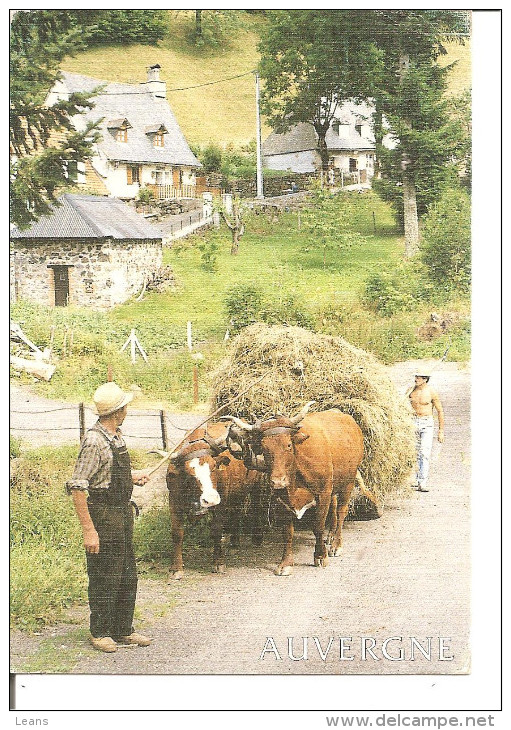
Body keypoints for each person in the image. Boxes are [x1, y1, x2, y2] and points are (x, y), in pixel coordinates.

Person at [66, 382, 151, 653]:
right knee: (104, 575)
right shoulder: (94, 441)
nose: (127, 410)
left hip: (122, 513)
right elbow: (79, 487)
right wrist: (89, 531)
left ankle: (123, 630)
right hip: (102, 515)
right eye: (124, 406)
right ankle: (100, 631)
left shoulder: (116, 437)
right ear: (118, 410)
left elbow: (108, 474)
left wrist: (132, 476)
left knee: (127, 574)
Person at [408, 369, 445, 493]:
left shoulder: (431, 392)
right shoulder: (410, 390)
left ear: (425, 379)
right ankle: (416, 479)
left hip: (426, 423)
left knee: (424, 452)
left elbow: (440, 410)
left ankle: (422, 482)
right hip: (412, 422)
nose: (416, 379)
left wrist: (441, 430)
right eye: (416, 376)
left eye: (418, 377)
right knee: (413, 452)